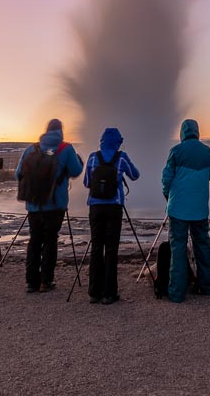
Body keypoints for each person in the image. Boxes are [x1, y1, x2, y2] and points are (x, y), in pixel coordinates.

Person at [15, 118, 82, 293]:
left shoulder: (31, 148)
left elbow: (18, 174)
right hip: (56, 204)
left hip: (34, 204)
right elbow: (75, 171)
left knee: (35, 239)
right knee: (51, 240)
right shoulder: (65, 148)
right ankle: (46, 281)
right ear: (61, 131)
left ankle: (31, 282)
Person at [83, 127, 141, 304]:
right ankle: (109, 293)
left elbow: (87, 183)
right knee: (111, 249)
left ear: (101, 141)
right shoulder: (121, 157)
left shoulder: (93, 157)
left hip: (95, 206)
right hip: (114, 207)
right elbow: (135, 175)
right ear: (117, 142)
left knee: (96, 247)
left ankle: (94, 292)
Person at [161, 119, 210, 303]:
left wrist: (168, 196)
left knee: (178, 248)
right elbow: (209, 174)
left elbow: (166, 178)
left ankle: (177, 292)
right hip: (200, 208)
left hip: (178, 209)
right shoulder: (207, 151)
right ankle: (207, 286)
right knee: (202, 246)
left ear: (182, 133)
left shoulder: (175, 151)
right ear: (197, 132)